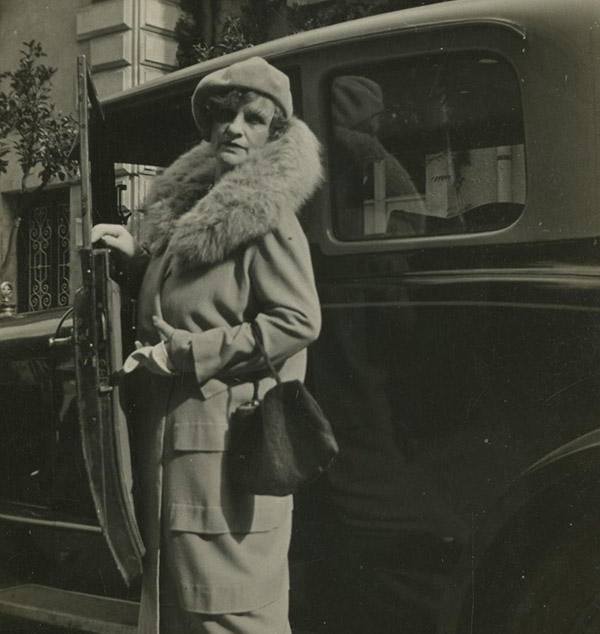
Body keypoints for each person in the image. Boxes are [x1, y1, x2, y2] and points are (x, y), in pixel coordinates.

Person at [92, 56, 322, 634]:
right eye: (223, 117)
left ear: (274, 133)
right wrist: (137, 259)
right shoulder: (195, 212)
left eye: (253, 119)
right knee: (179, 607)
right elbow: (191, 298)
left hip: (228, 455)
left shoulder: (265, 217)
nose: (234, 129)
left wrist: (189, 353)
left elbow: (300, 320)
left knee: (230, 613)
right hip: (178, 454)